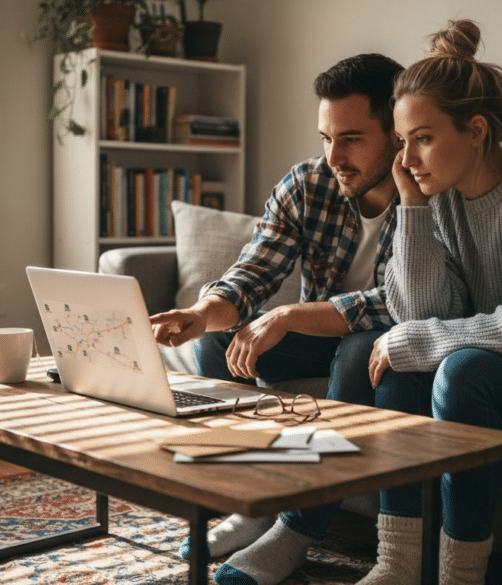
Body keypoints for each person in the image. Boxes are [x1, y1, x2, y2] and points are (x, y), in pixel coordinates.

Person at [212, 19, 502, 585]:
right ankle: (399, 565)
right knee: (403, 366)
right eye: (403, 142)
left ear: (476, 129)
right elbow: (424, 311)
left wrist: (412, 338)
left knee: (458, 371)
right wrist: (411, 208)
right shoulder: (443, 196)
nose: (406, 159)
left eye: (423, 139)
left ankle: (460, 577)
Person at [149, 52, 405, 560]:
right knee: (220, 341)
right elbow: (252, 276)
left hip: (382, 343)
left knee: (358, 350)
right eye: (327, 138)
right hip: (318, 340)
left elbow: (402, 304)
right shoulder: (308, 185)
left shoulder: (427, 195)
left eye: (351, 139)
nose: (335, 157)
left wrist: (287, 316)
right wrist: (204, 312)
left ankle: (296, 532)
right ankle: (251, 504)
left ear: (397, 134)